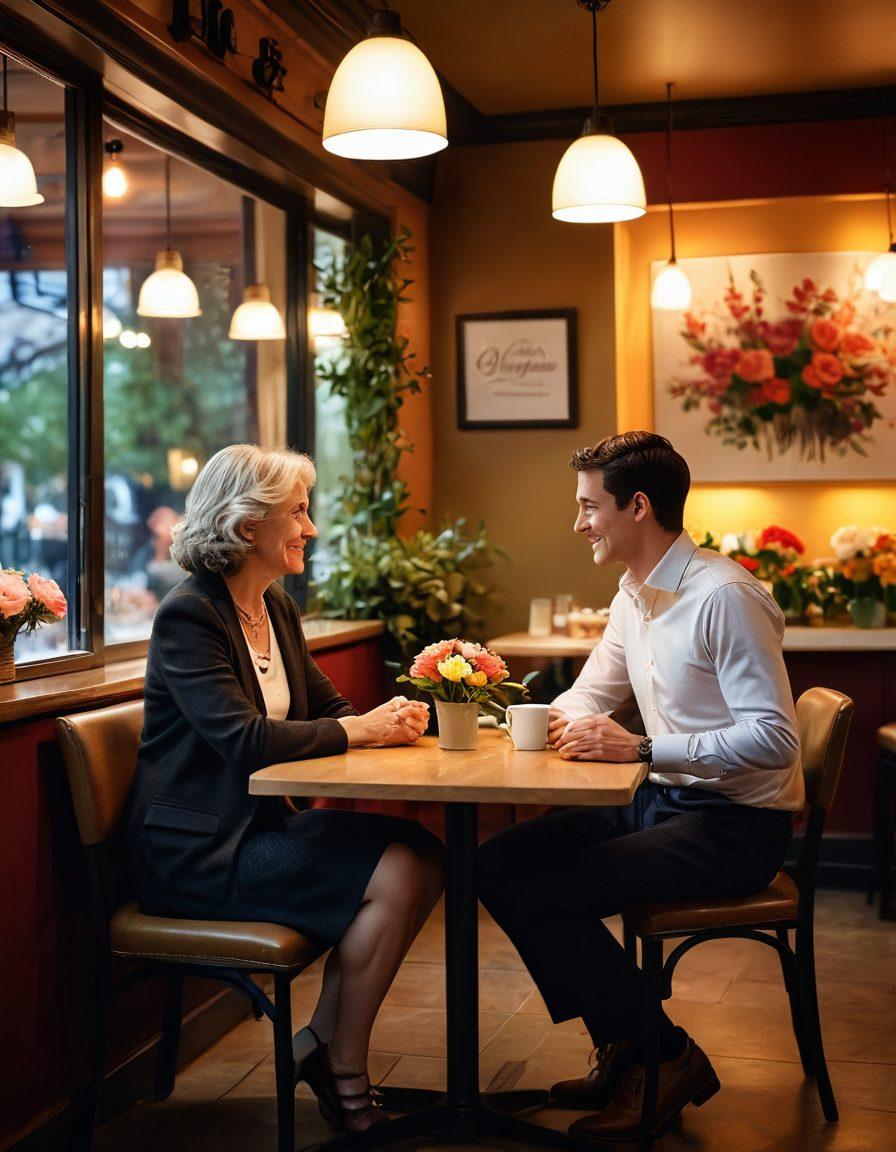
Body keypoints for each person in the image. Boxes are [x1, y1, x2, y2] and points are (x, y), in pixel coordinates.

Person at [478, 431, 803, 1141]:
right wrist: (502, 723)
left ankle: (666, 1057)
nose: (578, 523)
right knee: (495, 863)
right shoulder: (634, 594)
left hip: (736, 827)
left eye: (589, 507)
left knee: (549, 892)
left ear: (640, 507)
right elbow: (588, 696)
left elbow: (777, 740)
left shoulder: (725, 596)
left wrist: (645, 745)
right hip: (661, 802)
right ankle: (630, 1048)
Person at [125, 444, 444, 1134]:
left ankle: (327, 1044)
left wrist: (392, 720)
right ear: (247, 528)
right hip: (198, 853)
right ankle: (342, 1064)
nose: (311, 527)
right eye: (298, 512)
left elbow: (331, 715)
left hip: (261, 831)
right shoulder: (190, 616)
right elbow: (242, 739)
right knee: (396, 868)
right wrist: (362, 734)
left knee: (421, 853)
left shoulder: (275, 607)